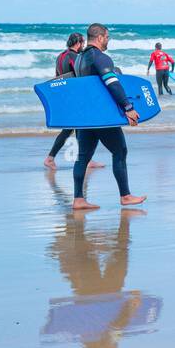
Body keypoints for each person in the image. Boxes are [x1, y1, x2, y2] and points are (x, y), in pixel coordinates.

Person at [72, 24, 146, 211]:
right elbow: (111, 82)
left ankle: (78, 199)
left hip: (85, 117)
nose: (108, 41)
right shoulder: (100, 57)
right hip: (102, 115)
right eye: (107, 37)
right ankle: (126, 196)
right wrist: (127, 107)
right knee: (120, 152)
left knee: (82, 157)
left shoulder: (80, 58)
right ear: (100, 37)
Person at [44, 32, 86, 169]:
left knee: (73, 129)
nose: (84, 45)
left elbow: (57, 77)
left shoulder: (60, 56)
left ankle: (83, 159)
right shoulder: (75, 56)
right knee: (77, 128)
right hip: (75, 97)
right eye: (83, 43)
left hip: (65, 96)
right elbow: (81, 76)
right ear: (78, 43)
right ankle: (51, 158)